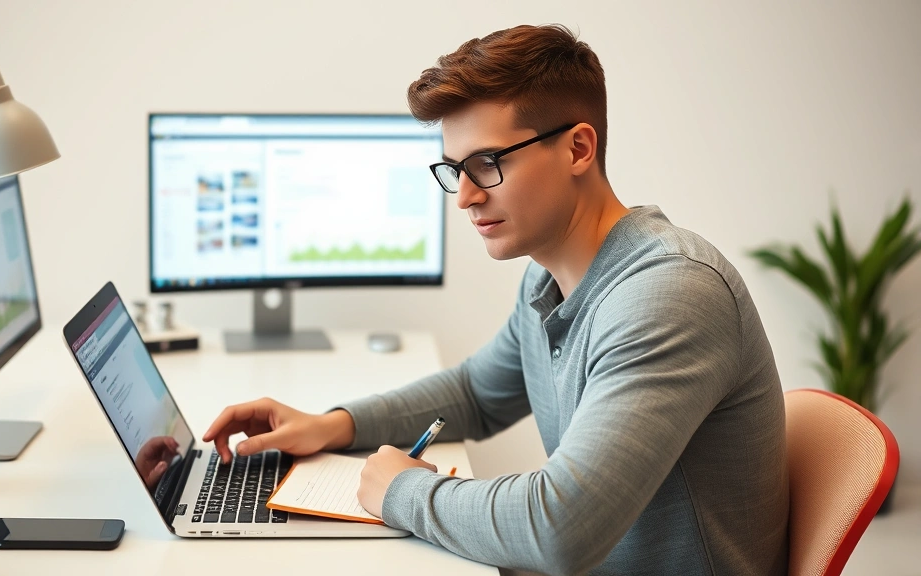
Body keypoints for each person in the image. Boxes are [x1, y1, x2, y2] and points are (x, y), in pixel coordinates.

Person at [203, 24, 788, 576]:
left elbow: (562, 527)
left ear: (578, 148)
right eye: (455, 169)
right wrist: (332, 425)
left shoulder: (669, 294)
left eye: (486, 164)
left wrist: (401, 490)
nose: (464, 198)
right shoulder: (549, 279)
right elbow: (476, 393)